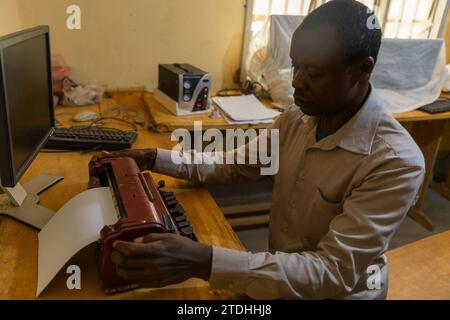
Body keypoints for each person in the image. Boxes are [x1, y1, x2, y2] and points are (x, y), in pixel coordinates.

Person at [92, 0, 425, 299]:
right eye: (295, 66)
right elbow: (233, 165)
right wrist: (154, 158)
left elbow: (333, 271)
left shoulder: (394, 162)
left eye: (313, 72)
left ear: (363, 69)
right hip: (282, 278)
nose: (296, 82)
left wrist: (205, 261)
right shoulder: (297, 119)